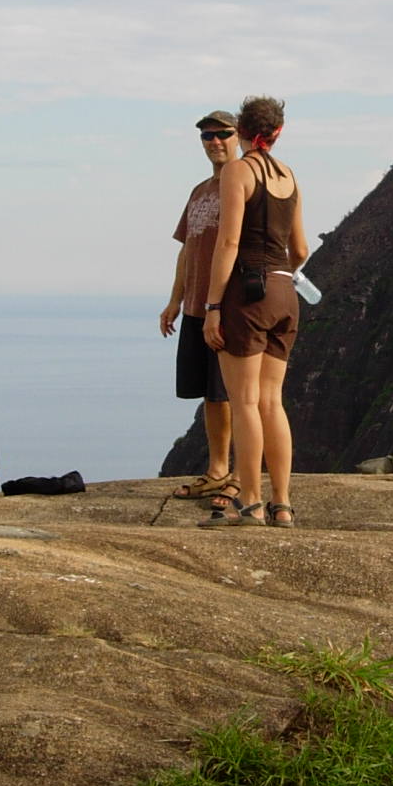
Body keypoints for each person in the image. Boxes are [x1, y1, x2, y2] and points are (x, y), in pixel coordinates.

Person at [199, 96, 308, 529]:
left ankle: (250, 504)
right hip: (285, 293)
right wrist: (281, 275)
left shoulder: (238, 172)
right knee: (271, 402)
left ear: (242, 130)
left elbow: (228, 243)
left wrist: (212, 307)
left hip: (247, 293)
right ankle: (282, 505)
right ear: (278, 133)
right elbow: (301, 250)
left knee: (244, 402)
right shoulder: (289, 176)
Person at [160, 110, 237, 501]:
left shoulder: (243, 185)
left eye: (223, 133)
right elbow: (187, 249)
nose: (215, 141)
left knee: (233, 392)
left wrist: (218, 304)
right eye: (208, 136)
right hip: (195, 307)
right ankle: (217, 469)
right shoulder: (199, 191)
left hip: (226, 306)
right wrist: (175, 300)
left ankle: (238, 475)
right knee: (211, 394)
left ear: (239, 136)